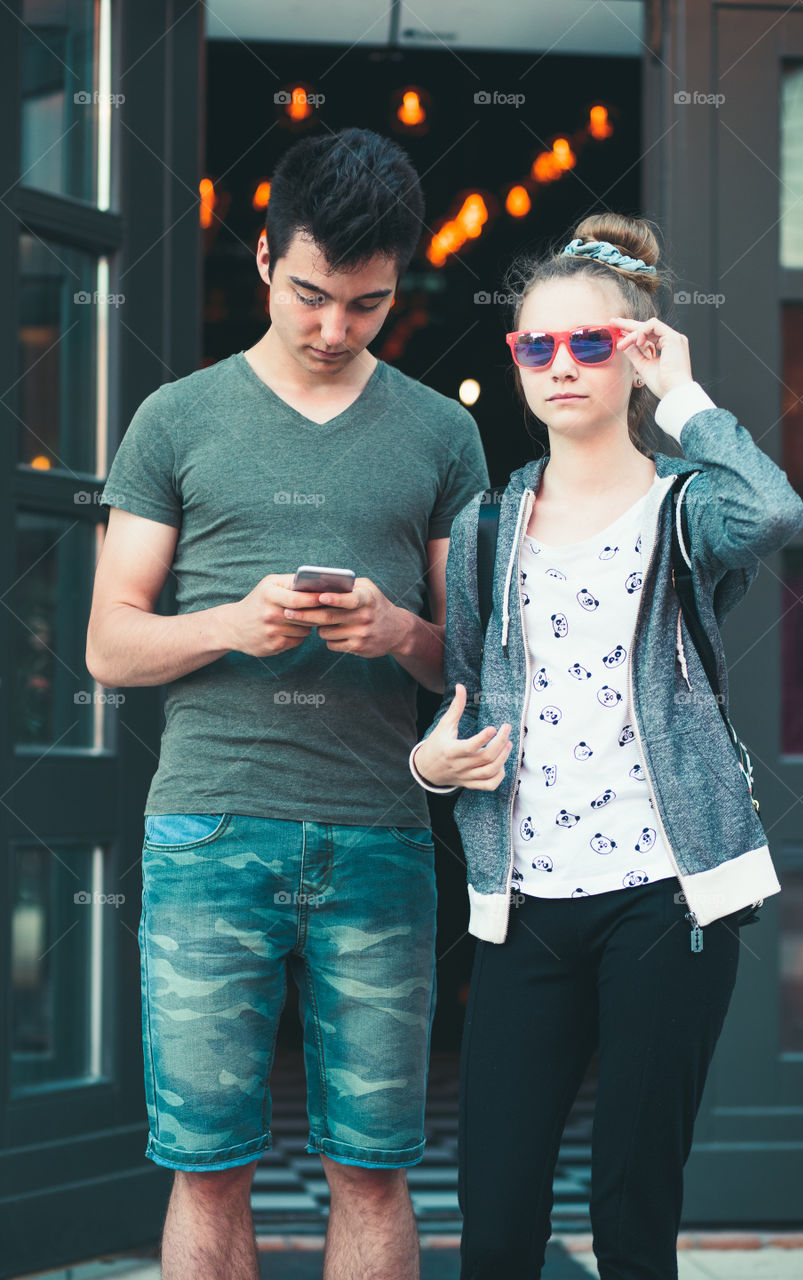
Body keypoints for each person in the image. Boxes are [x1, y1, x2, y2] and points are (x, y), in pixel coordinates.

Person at [85, 127, 488, 1280]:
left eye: (365, 305)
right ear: (263, 257)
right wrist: (230, 622)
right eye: (310, 293)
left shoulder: (440, 432)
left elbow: (464, 666)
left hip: (379, 833)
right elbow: (109, 641)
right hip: (210, 826)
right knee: (206, 1162)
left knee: (373, 1164)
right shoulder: (176, 417)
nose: (331, 328)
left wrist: (396, 629)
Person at [409, 212, 803, 1280]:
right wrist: (427, 766)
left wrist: (684, 398)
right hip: (525, 904)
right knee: (493, 1229)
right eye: (535, 345)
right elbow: (460, 703)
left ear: (634, 350)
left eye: (591, 341)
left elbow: (772, 509)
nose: (559, 365)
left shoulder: (685, 511)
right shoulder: (489, 526)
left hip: (665, 898)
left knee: (632, 1221)